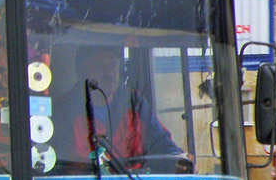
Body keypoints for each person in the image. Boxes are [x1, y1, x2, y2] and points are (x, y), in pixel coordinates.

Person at [52, 45, 184, 171]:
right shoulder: (63, 112)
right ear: (82, 73)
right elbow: (58, 167)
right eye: (99, 66)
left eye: (113, 65)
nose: (109, 73)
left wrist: (178, 161)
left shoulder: (135, 104)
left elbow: (162, 145)